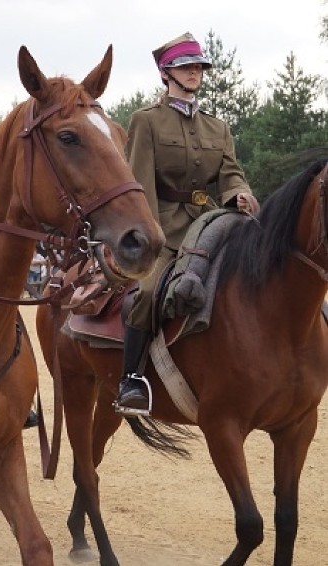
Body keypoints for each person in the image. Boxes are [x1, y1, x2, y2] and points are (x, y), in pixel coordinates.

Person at [114, 32, 258, 415]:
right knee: (144, 293)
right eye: (185, 67)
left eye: (198, 67)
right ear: (166, 73)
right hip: (164, 229)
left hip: (210, 223)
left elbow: (230, 173)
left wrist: (239, 193)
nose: (194, 72)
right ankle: (131, 380)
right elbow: (140, 181)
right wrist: (145, 233)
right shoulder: (146, 121)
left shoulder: (218, 128)